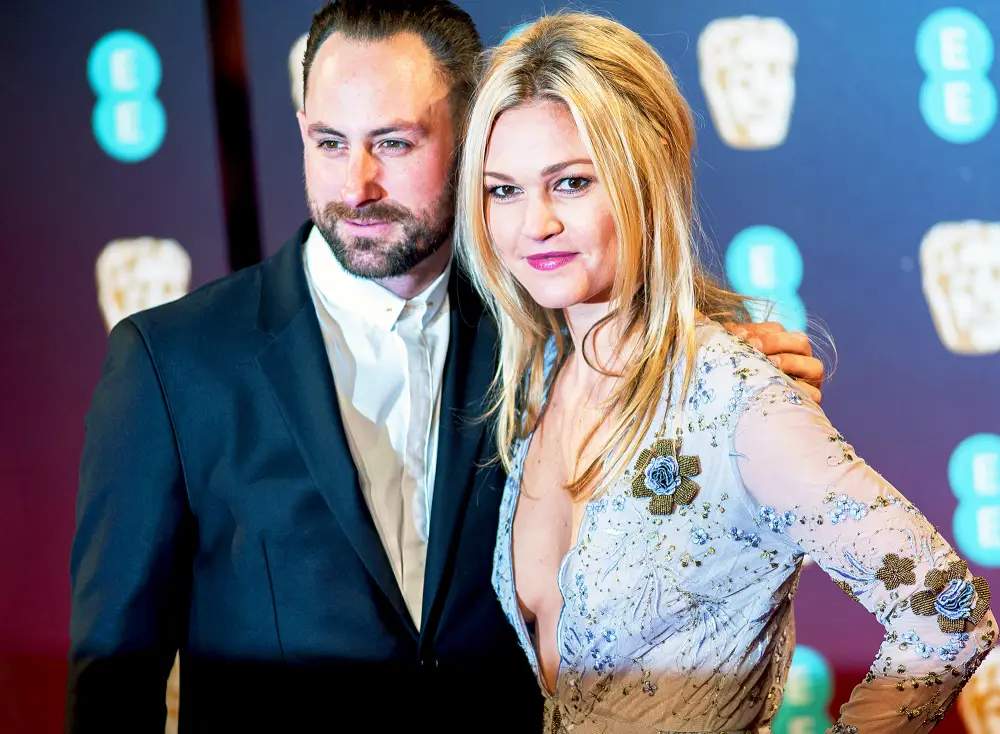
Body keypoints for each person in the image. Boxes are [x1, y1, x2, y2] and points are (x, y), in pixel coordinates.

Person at [65, 2, 826, 732]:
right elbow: (113, 685)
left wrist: (721, 383)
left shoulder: (550, 329)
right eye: (329, 142)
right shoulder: (173, 362)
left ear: (471, 137)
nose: (356, 184)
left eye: (393, 143)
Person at [455, 12, 995, 734]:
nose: (535, 224)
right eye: (504, 191)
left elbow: (945, 615)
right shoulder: (542, 376)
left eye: (573, 183)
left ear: (647, 180)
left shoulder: (736, 398)